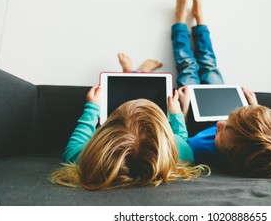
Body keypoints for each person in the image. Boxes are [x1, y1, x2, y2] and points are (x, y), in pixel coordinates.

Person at [170, 0, 271, 179]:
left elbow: (181, 144)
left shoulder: (200, 149)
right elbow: (267, 140)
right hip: (217, 103)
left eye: (222, 132)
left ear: (230, 156)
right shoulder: (248, 147)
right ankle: (200, 19)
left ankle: (179, 20)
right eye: (229, 119)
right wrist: (254, 107)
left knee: (187, 65)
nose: (219, 122)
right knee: (209, 64)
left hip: (192, 112)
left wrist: (181, 112)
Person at [50, 56, 209, 190]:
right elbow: (180, 137)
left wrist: (92, 107)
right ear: (165, 136)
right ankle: (137, 73)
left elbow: (72, 147)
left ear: (103, 134)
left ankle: (131, 73)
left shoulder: (91, 159)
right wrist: (178, 113)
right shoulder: (181, 154)